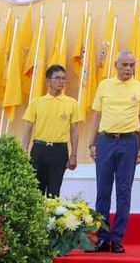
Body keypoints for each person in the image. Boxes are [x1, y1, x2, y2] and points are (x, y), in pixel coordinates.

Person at [87, 51, 140, 253]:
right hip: (105, 141)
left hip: (129, 141)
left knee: (124, 192)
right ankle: (102, 237)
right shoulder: (104, 85)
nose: (129, 69)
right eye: (125, 65)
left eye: (132, 65)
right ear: (116, 65)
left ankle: (118, 238)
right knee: (103, 190)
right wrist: (92, 143)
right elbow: (96, 115)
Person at [21, 64, 80, 197]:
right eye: (57, 78)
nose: (61, 81)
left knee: (54, 192)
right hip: (39, 150)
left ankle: (52, 218)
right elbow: (28, 127)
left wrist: (74, 154)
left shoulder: (71, 103)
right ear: (48, 81)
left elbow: (74, 130)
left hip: (59, 151)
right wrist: (23, 151)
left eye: (64, 79)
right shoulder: (36, 102)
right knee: (36, 191)